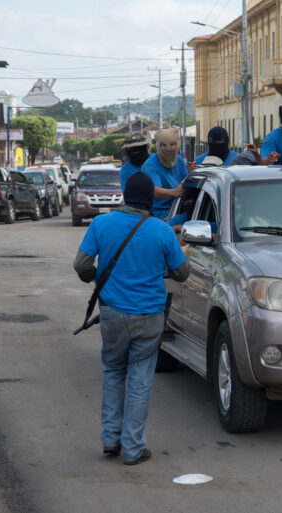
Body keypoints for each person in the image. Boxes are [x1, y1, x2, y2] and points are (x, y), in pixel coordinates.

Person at [73, 172, 190, 466]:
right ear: (150, 199)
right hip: (149, 316)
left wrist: (94, 277)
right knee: (139, 380)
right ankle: (134, 448)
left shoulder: (101, 224)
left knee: (113, 372)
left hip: (112, 314)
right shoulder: (162, 231)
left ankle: (110, 439)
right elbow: (181, 273)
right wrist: (180, 253)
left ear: (125, 196)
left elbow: (82, 265)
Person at [138, 128, 189, 219]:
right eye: (163, 145)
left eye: (173, 144)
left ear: (178, 144)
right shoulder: (150, 165)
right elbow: (154, 190)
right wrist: (174, 192)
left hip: (179, 209)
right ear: (157, 145)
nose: (168, 149)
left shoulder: (180, 160)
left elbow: (186, 183)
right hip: (159, 214)